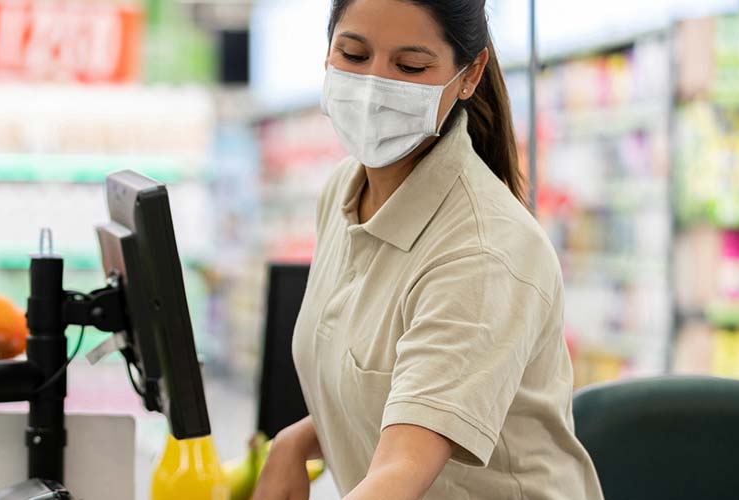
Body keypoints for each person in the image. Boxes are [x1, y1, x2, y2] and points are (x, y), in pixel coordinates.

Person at [253, 1, 604, 499]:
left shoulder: (484, 251)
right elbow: (385, 386)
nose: (374, 86)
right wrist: (295, 442)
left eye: (410, 66)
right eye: (353, 54)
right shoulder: (343, 193)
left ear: (469, 74)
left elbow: (403, 469)